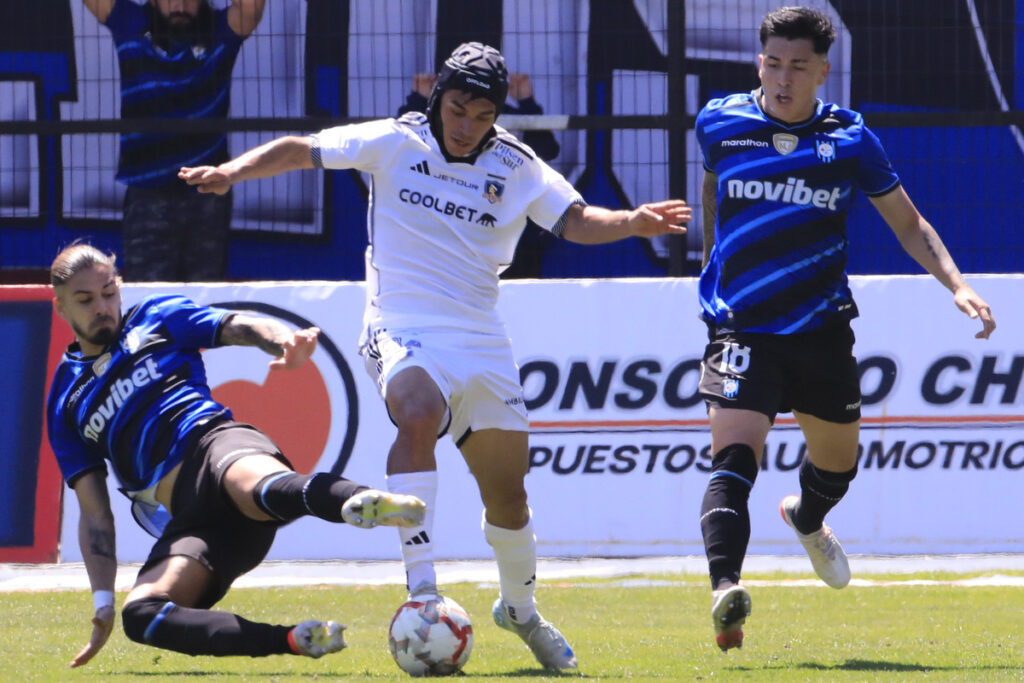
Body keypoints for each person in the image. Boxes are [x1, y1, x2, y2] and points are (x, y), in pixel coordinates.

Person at [180, 41, 690, 671]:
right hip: (400, 323)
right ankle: (423, 587)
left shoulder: (517, 163)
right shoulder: (395, 140)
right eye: (457, 107)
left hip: (480, 337)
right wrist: (232, 173)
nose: (467, 124)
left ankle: (521, 613)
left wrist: (631, 222)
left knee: (509, 497)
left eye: (481, 114)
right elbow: (301, 149)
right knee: (417, 411)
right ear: (437, 99)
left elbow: (575, 219)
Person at [694, 6, 997, 652]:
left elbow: (908, 223)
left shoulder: (850, 139)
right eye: (772, 63)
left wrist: (958, 284)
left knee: (837, 466)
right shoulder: (720, 122)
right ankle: (726, 591)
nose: (782, 78)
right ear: (759, 63)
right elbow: (712, 191)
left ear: (822, 71)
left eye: (797, 66)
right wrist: (708, 262)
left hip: (820, 330)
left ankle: (807, 517)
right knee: (733, 457)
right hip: (741, 326)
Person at [47, 242, 426, 667]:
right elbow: (95, 515)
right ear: (60, 306)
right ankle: (294, 639)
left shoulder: (157, 317)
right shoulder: (65, 402)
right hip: (195, 521)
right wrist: (102, 601)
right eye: (85, 299)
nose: (103, 306)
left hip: (213, 445)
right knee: (143, 616)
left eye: (109, 292)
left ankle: (359, 501)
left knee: (258, 486)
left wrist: (281, 339)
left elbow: (236, 326)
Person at [82, 0, 266, 282]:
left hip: (208, 191)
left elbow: (250, 11)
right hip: (147, 195)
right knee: (149, 299)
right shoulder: (128, 20)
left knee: (205, 302)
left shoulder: (220, 29)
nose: (180, 5)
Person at [398, 69, 561, 279]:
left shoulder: (507, 116)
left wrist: (526, 102)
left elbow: (548, 150)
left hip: (508, 233)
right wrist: (419, 100)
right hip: (452, 232)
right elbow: (401, 144)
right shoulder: (439, 120)